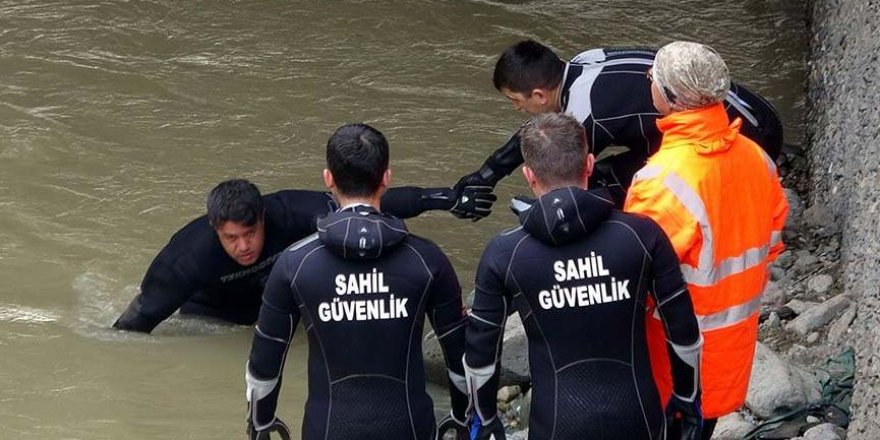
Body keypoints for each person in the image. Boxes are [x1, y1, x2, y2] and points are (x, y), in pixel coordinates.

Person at [464, 113, 704, 440]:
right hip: (637, 416)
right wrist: (687, 398)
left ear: (529, 175)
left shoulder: (504, 252)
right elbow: (683, 329)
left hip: (556, 424)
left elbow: (481, 352)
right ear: (589, 164)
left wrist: (484, 416)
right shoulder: (642, 234)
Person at [244, 123, 468, 440]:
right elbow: (461, 357)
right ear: (386, 178)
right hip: (410, 427)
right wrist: (463, 416)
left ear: (328, 179)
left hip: (326, 429)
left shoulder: (295, 263)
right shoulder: (427, 259)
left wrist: (260, 423)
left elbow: (264, 364)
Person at [624, 41, 789, 440]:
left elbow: (635, 277)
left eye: (652, 77)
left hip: (671, 360)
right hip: (731, 350)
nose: (648, 82)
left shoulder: (660, 182)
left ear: (669, 97)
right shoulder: (756, 157)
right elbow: (772, 241)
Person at [450, 40, 784, 217]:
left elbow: (555, 161)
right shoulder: (585, 61)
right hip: (757, 119)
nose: (516, 108)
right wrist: (486, 174)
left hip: (749, 144)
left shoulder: (587, 112)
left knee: (589, 181)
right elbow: (539, 128)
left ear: (538, 95)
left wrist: (544, 212)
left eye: (515, 100)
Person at [113, 179, 492, 334]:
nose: (243, 246)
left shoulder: (287, 211)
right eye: (231, 238)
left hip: (272, 300)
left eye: (250, 233)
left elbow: (362, 205)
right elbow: (133, 325)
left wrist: (445, 198)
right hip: (213, 319)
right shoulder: (186, 259)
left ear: (263, 218)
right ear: (215, 230)